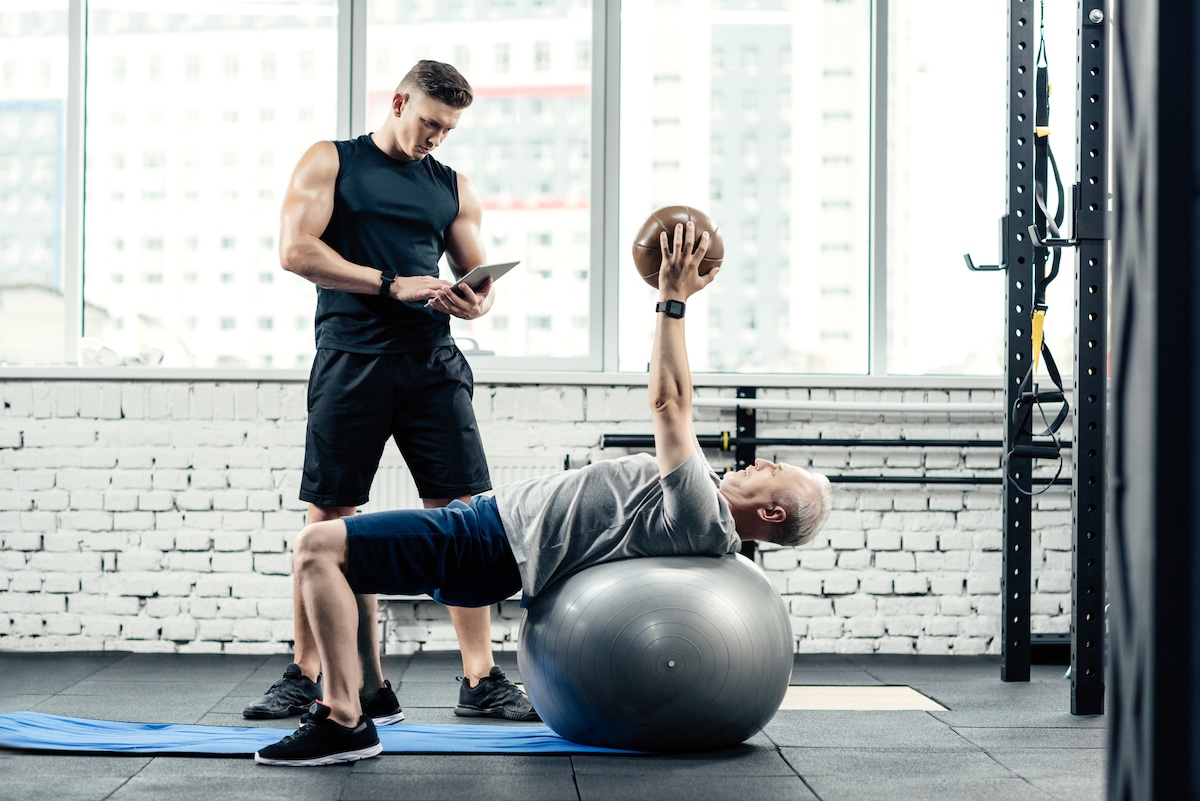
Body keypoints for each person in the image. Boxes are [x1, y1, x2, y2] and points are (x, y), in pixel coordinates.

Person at [254, 219, 834, 766]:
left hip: (483, 543)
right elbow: (671, 391)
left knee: (318, 547)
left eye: (774, 469)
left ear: (773, 509)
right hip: (482, 529)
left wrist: (673, 300)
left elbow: (670, 402)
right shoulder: (701, 499)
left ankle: (343, 719)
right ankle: (370, 696)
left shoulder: (703, 516)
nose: (759, 461)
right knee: (344, 558)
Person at [243, 60, 537, 728]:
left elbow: (476, 281)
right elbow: (295, 250)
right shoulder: (333, 161)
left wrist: (476, 301)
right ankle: (307, 674)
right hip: (351, 358)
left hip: (433, 363)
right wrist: (388, 282)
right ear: (400, 101)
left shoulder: (452, 186)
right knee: (330, 516)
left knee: (465, 516)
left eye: (449, 128)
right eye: (431, 122)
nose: (438, 136)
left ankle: (481, 677)